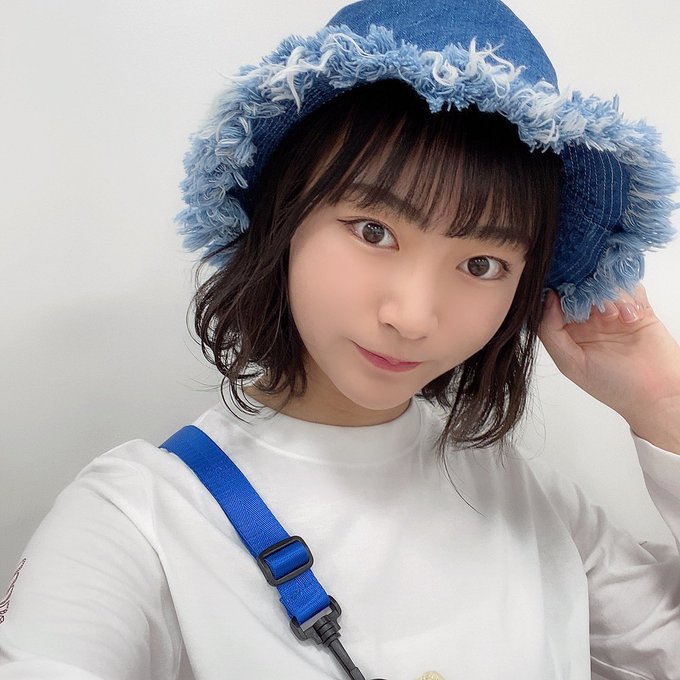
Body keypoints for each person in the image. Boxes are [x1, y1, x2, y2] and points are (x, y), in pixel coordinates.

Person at [1, 0, 679, 678]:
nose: (412, 317)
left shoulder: (524, 498)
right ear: (283, 212)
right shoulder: (138, 519)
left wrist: (661, 399)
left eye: (481, 264)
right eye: (373, 231)